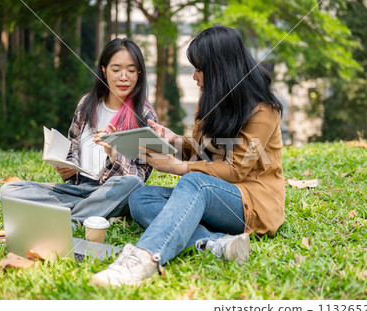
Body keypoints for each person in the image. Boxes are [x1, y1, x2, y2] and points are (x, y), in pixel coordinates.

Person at [92, 26, 285, 287]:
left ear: (219, 69)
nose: (194, 76)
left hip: (251, 204)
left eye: (199, 68)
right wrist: (174, 140)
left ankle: (144, 258)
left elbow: (236, 170)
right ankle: (214, 243)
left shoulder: (263, 111)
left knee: (194, 182)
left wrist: (179, 167)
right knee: (140, 198)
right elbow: (207, 150)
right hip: (212, 196)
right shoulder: (211, 100)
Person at [0, 38, 157, 223]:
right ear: (104, 71)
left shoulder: (145, 115)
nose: (124, 77)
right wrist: (67, 168)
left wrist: (114, 153)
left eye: (131, 70)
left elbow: (140, 175)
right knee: (9, 190)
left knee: (133, 185)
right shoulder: (86, 104)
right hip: (77, 189)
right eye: (116, 70)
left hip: (111, 193)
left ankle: (68, 219)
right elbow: (73, 146)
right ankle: (87, 214)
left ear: (139, 73)